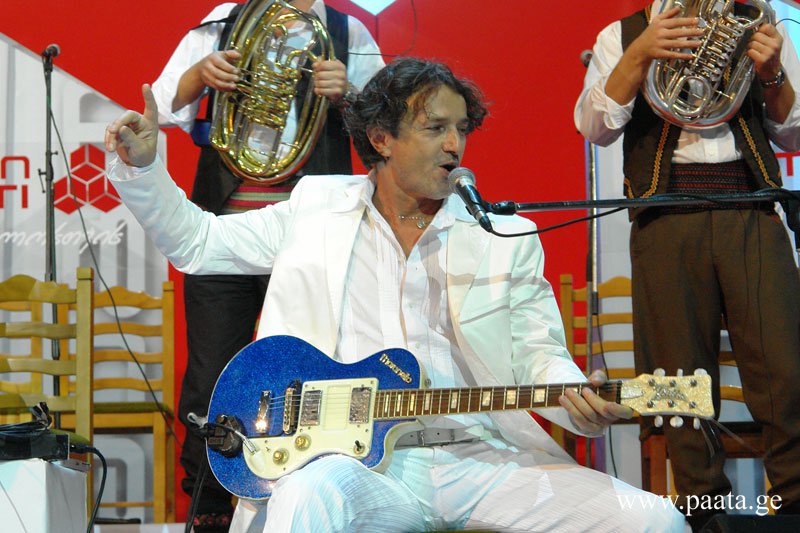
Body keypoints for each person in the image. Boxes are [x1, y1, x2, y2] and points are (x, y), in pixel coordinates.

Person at [106, 57, 685, 532]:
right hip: (359, 466)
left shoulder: (504, 236)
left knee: (654, 520)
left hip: (479, 457)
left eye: (462, 129)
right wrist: (145, 169)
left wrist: (578, 399)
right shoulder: (315, 210)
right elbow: (199, 243)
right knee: (307, 494)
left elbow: (539, 356)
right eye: (435, 128)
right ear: (381, 138)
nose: (454, 145)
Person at [150, 1, 384, 528]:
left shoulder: (350, 32)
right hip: (224, 232)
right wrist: (199, 75)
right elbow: (162, 103)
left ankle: (315, 498)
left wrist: (350, 95)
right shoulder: (225, 19)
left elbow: (387, 133)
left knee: (316, 372)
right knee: (211, 374)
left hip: (311, 236)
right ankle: (210, 507)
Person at [575, 1, 800, 529]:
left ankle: (796, 504)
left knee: (786, 369)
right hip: (666, 216)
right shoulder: (622, 34)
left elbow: (793, 134)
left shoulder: (757, 23)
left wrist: (772, 75)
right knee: (676, 379)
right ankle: (704, 510)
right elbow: (594, 126)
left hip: (750, 208)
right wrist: (639, 54)